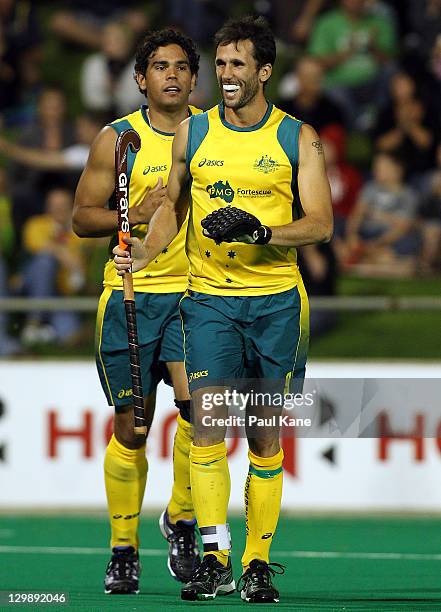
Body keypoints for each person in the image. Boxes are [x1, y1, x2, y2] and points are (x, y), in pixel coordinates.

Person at [114, 16, 333, 603]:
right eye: (222, 64)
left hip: (276, 304)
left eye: (239, 65)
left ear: (264, 71)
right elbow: (172, 207)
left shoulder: (298, 137)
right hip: (209, 303)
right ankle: (215, 556)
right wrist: (144, 249)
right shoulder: (196, 132)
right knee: (207, 429)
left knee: (263, 438)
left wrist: (263, 231)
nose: (226, 75)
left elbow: (322, 224)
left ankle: (258, 563)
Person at [72, 29, 203, 594]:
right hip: (129, 294)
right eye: (158, 66)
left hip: (197, 296)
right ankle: (122, 549)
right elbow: (81, 217)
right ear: (139, 78)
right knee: (133, 427)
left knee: (204, 414)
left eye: (180, 66)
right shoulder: (116, 140)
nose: (170, 75)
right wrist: (135, 215)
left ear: (194, 79)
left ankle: (180, 518)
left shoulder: (216, 135)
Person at [344, 151, 420, 277]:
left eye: (382, 167)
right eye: (376, 167)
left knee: (403, 256)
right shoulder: (370, 188)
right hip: (367, 235)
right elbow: (357, 214)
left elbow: (403, 226)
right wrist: (352, 235)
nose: (376, 170)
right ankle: (377, 264)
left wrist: (378, 244)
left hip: (391, 241)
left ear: (397, 169)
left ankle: (367, 267)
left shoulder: (408, 195)